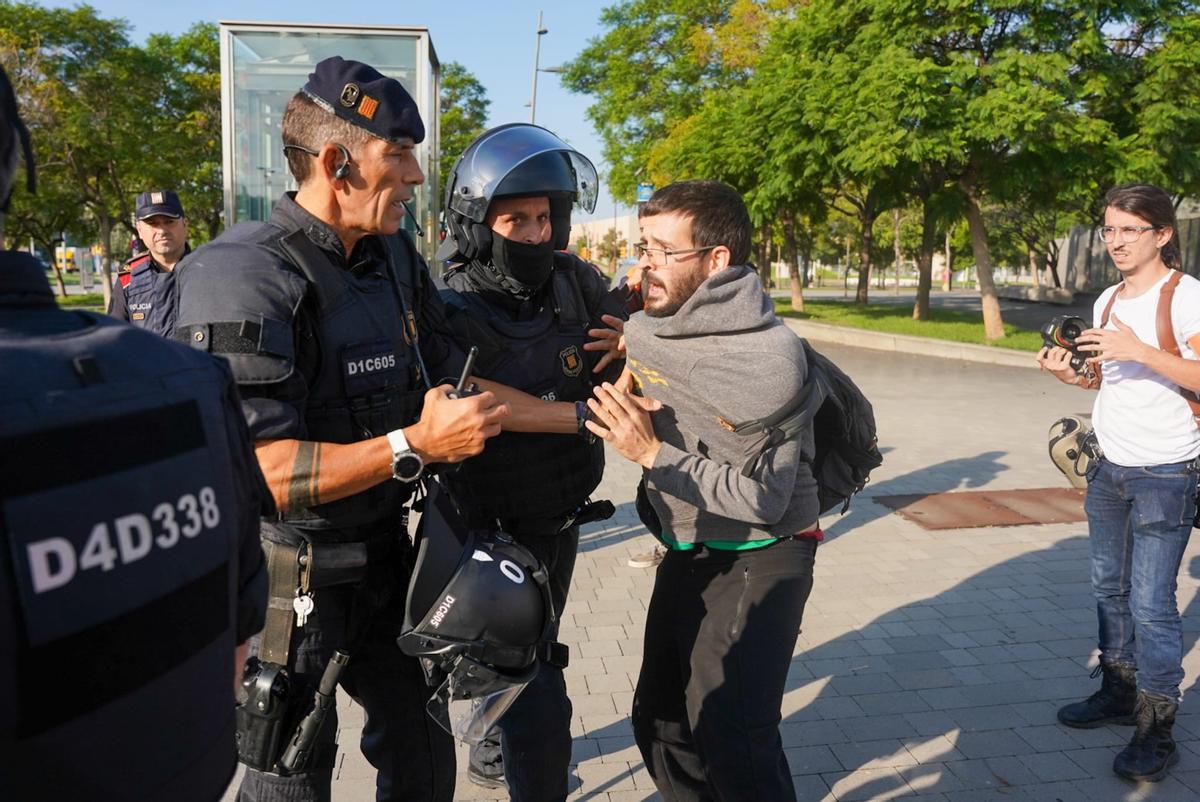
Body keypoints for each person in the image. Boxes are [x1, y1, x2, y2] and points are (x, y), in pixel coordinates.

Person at [171, 57, 579, 802]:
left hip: (391, 563)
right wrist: (412, 447)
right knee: (289, 775)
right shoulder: (243, 275)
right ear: (336, 164)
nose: (418, 177)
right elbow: (261, 471)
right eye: (399, 156)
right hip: (292, 585)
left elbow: (456, 372)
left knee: (426, 764)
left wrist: (580, 411)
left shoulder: (391, 256)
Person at [0, 64, 270, 802]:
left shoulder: (210, 287)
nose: (159, 231)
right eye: (149, 223)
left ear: (186, 225)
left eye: (168, 221)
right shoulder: (128, 294)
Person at [586, 179, 822, 801]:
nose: (646, 267)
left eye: (665, 253)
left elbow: (764, 500)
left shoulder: (767, 359)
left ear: (717, 260)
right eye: (644, 248)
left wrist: (649, 453)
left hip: (765, 550)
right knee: (661, 721)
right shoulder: (649, 325)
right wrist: (625, 346)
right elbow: (644, 346)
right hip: (690, 544)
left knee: (732, 732)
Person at [435, 122, 626, 799]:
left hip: (561, 512)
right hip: (485, 524)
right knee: (535, 687)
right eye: (517, 218)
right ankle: (513, 744)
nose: (537, 232)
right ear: (480, 224)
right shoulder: (451, 300)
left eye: (547, 216)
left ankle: (493, 726)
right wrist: (578, 417)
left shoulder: (577, 284)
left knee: (534, 649)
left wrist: (635, 349)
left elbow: (635, 340)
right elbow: (475, 395)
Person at [1038, 183, 1200, 783]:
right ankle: (1117, 690)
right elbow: (1107, 382)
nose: (1116, 241)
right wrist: (1066, 376)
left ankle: (1157, 730)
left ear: (1162, 234)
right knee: (1109, 588)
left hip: (1166, 471)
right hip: (1107, 467)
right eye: (1109, 229)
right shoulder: (1106, 300)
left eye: (1130, 229)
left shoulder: (1186, 299)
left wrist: (1141, 348)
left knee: (1154, 606)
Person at [108, 189, 190, 333]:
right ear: (139, 230)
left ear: (185, 224)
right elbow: (114, 337)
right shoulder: (128, 278)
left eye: (169, 221)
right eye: (152, 223)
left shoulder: (207, 271)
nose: (162, 230)